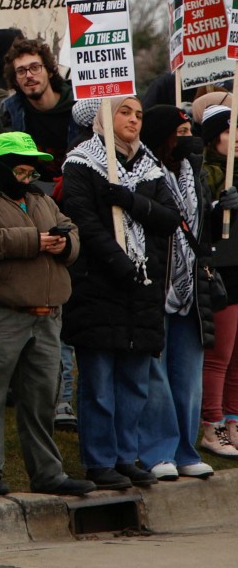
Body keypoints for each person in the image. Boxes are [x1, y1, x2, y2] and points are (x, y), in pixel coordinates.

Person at [0, 132, 96, 497]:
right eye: (20, 160)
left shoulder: (41, 198)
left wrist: (66, 243)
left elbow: (74, 232)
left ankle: (48, 474)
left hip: (47, 316)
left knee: (41, 399)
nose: (29, 168)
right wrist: (35, 240)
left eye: (32, 161)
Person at [61, 97, 179, 491]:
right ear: (103, 117)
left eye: (139, 114)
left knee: (134, 383)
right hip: (99, 288)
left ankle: (126, 456)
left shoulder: (151, 168)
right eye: (124, 111)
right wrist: (121, 265)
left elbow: (168, 219)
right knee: (98, 383)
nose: (133, 119)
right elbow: (85, 224)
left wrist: (129, 199)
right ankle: (99, 460)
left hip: (142, 293)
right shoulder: (80, 163)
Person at [138, 104, 217, 480]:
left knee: (188, 376)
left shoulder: (194, 173)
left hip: (190, 289)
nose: (189, 140)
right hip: (157, 284)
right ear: (163, 136)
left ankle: (186, 450)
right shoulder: (144, 172)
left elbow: (200, 230)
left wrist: (218, 209)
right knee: (156, 375)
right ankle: (158, 451)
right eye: (181, 134)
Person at [199, 105, 238, 458]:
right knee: (219, 355)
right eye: (230, 130)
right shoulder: (205, 172)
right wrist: (216, 208)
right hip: (221, 271)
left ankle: (233, 420)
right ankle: (211, 426)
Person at [0, 39, 78, 191]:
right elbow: (6, 163)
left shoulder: (79, 105)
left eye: (35, 68)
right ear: (15, 79)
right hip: (33, 193)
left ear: (50, 71)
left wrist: (71, 181)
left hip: (77, 189)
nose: (29, 75)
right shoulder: (9, 111)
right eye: (21, 71)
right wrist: (38, 189)